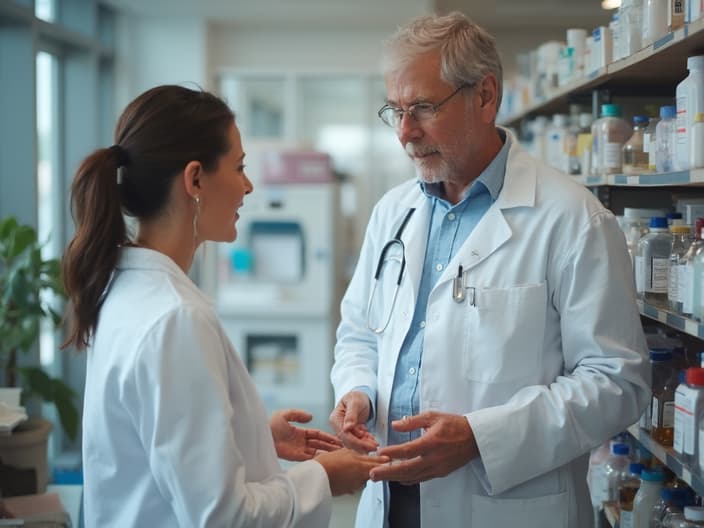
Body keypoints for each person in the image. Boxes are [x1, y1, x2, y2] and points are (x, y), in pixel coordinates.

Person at [328, 12, 650, 528]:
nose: (406, 133)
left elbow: (617, 381)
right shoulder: (393, 211)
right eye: (396, 111)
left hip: (505, 507)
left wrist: (481, 438)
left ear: (484, 96)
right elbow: (361, 332)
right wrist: (358, 391)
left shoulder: (572, 218)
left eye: (424, 108)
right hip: (388, 502)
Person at [61, 84, 386, 527]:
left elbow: (151, 448)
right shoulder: (175, 319)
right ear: (195, 179)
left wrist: (248, 435)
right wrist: (323, 478)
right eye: (239, 167)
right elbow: (222, 518)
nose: (248, 186)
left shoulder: (123, 289)